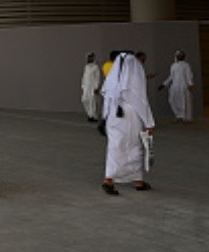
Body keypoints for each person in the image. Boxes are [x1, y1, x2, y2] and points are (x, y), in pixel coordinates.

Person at [100, 52, 155, 195]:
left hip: (113, 116)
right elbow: (141, 101)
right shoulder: (135, 79)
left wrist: (104, 118)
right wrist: (149, 122)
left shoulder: (112, 79)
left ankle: (108, 180)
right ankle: (138, 181)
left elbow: (106, 98)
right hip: (131, 116)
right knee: (134, 147)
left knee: (114, 147)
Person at [159, 51, 194, 122]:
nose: (180, 56)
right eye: (178, 55)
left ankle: (186, 117)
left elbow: (188, 75)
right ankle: (179, 115)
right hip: (175, 86)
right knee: (172, 100)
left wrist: (190, 84)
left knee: (185, 102)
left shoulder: (186, 65)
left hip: (184, 86)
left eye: (181, 55)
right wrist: (164, 84)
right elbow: (171, 77)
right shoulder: (173, 66)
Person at [80, 52, 101, 122]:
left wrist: (96, 87)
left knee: (92, 101)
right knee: (84, 100)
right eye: (88, 57)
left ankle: (93, 116)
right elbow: (84, 77)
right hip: (86, 86)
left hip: (92, 87)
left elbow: (97, 78)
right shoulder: (86, 67)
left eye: (91, 57)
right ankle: (89, 114)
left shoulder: (96, 67)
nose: (89, 58)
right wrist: (83, 86)